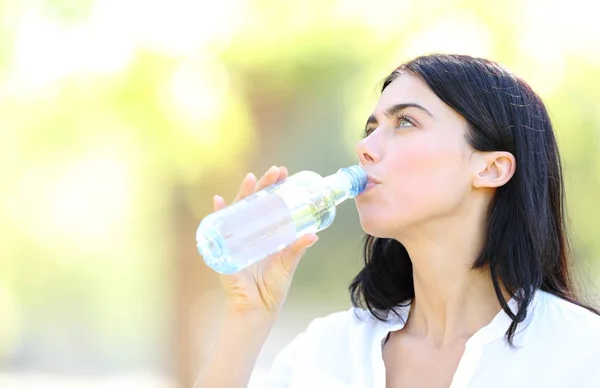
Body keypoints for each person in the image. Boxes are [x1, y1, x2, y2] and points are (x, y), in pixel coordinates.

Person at [196, 54, 600, 388]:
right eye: (370, 128)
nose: (364, 147)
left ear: (492, 169)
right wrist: (248, 316)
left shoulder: (580, 354)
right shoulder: (326, 354)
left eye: (405, 122)